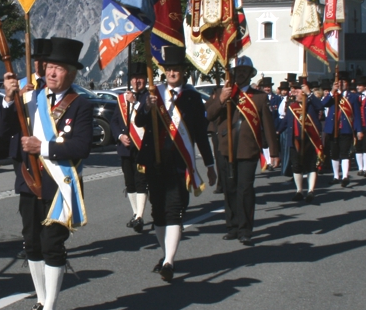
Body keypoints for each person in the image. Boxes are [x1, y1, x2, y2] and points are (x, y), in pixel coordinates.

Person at [0, 37, 93, 310]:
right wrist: (8, 99)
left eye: (59, 68)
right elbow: (5, 132)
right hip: (29, 181)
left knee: (52, 245)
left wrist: (44, 147)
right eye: (50, 66)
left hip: (59, 185)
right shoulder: (30, 98)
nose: (52, 73)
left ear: (72, 73)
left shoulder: (80, 105)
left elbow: (82, 146)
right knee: (32, 244)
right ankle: (41, 300)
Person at [135, 45, 216, 282]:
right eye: (168, 69)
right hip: (155, 161)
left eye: (176, 69)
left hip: (179, 164)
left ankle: (169, 261)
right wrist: (147, 107)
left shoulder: (192, 98)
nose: (172, 73)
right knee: (158, 212)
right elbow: (139, 121)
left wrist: (210, 165)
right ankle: (165, 255)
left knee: (174, 210)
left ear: (183, 72)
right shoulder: (154, 94)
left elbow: (200, 134)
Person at [205, 57, 280, 245]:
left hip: (248, 149)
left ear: (250, 74)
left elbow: (268, 126)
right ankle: (232, 226)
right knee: (229, 189)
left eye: (244, 71)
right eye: (238, 71)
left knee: (245, 189)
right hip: (226, 149)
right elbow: (209, 115)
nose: (241, 74)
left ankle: (245, 229)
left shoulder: (259, 97)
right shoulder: (222, 92)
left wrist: (274, 152)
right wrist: (221, 99)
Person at [111, 61, 149, 232]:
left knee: (141, 181)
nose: (136, 81)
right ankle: (135, 213)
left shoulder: (148, 97)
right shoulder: (122, 99)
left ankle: (140, 215)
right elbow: (114, 122)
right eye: (134, 78)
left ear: (145, 79)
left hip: (142, 148)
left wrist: (134, 103)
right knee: (130, 182)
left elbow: (147, 118)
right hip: (126, 148)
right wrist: (120, 136)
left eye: (140, 78)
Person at [285, 80, 325, 201]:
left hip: (310, 139)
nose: (295, 93)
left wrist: (309, 94)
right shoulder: (292, 106)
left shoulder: (311, 104)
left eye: (297, 91)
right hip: (295, 140)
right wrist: (275, 131)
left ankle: (311, 191)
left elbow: (320, 106)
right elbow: (285, 122)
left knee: (311, 166)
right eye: (294, 91)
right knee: (296, 166)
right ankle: (299, 191)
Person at [321, 73, 357, 187]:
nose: (341, 84)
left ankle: (345, 176)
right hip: (332, 128)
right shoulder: (333, 95)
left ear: (347, 84)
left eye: (343, 82)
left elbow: (356, 114)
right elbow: (323, 104)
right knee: (334, 153)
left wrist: (358, 130)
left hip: (345, 128)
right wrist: (332, 91)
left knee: (344, 152)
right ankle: (336, 176)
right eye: (339, 82)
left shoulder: (353, 97)